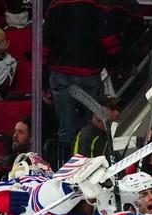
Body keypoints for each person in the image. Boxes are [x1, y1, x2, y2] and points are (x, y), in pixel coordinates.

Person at [44, 0, 118, 147]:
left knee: (67, 127)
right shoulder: (96, 4)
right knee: (92, 126)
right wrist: (113, 64)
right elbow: (108, 39)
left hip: (62, 73)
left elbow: (45, 42)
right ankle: (89, 162)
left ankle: (67, 165)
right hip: (89, 74)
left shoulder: (55, 4)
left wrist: (44, 82)